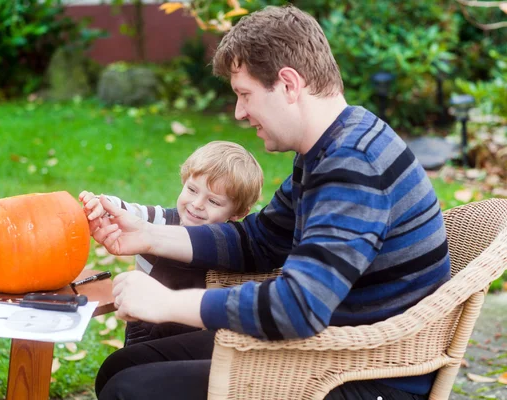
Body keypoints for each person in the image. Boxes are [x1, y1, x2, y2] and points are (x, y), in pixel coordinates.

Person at [89, 5, 451, 400]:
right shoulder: (330, 147)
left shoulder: (354, 167)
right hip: (328, 348)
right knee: (123, 367)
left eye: (245, 95)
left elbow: (296, 306)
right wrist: (148, 235)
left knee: (128, 390)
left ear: (289, 84)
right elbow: (259, 241)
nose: (239, 112)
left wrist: (168, 303)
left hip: (363, 374)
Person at [79, 140, 263, 347]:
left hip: (195, 335)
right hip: (144, 327)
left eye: (213, 201)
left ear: (237, 213)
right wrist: (101, 205)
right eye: (192, 189)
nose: (197, 204)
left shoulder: (229, 245)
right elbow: (125, 210)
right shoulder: (159, 220)